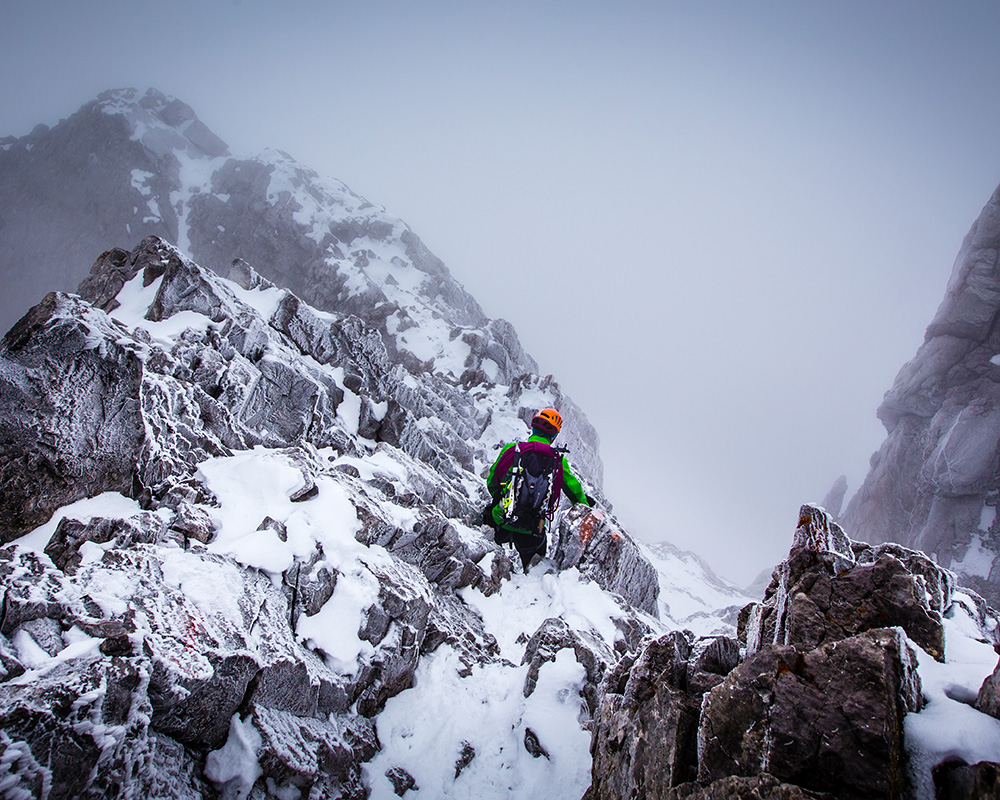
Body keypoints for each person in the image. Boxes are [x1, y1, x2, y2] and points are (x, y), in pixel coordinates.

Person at [484, 408, 592, 571]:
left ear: (533, 427)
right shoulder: (558, 461)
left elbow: (492, 481)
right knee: (534, 570)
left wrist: (501, 499)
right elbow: (574, 490)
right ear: (554, 435)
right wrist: (585, 505)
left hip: (500, 519)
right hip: (534, 528)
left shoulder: (512, 449)